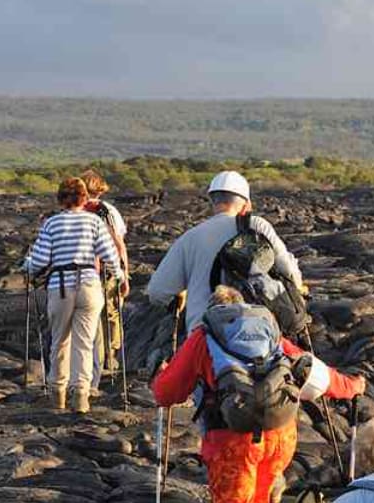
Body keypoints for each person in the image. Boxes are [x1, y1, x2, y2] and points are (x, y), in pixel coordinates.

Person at [152, 286, 363, 503]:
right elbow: (317, 377)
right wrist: (352, 386)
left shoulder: (204, 337)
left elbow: (166, 393)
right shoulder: (267, 330)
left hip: (231, 440)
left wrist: (161, 376)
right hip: (279, 435)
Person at [147, 170, 303, 334]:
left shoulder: (190, 237)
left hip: (204, 334)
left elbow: (157, 292)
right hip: (258, 332)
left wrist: (180, 297)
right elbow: (289, 272)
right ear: (246, 205)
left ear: (213, 202)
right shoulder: (256, 225)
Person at [25, 177, 125, 414]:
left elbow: (38, 261)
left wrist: (26, 266)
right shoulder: (93, 222)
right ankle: (81, 395)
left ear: (60, 199)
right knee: (85, 342)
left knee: (59, 341)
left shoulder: (52, 224)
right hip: (90, 285)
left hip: (60, 287)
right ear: (84, 198)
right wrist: (120, 276)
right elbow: (110, 255)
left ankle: (57, 394)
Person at [82, 169, 129, 393]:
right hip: (108, 271)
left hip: (83, 273)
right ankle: (111, 358)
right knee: (110, 312)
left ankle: (89, 365)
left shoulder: (73, 211)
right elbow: (119, 244)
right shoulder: (109, 211)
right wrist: (124, 273)